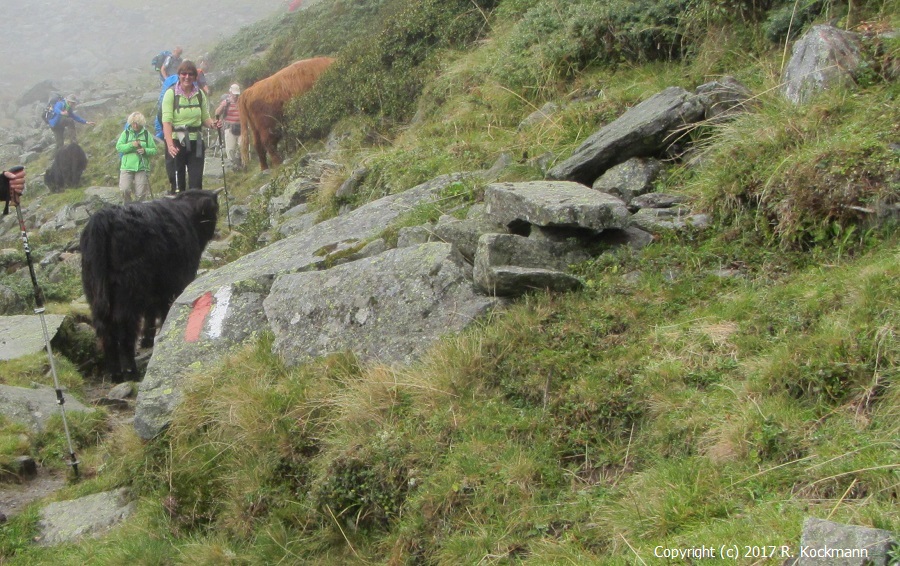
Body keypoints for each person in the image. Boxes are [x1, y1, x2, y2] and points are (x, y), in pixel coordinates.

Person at [161, 60, 218, 192]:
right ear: (179, 75)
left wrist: (213, 124)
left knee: (196, 182)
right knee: (177, 183)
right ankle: (177, 210)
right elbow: (167, 122)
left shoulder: (199, 95)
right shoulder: (170, 94)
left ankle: (195, 211)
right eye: (184, 73)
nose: (187, 77)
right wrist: (170, 145)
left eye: (191, 74)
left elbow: (205, 118)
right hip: (176, 141)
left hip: (196, 141)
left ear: (195, 76)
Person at [115, 112, 157, 203]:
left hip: (142, 167)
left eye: (137, 123)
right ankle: (128, 206)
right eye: (133, 123)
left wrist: (145, 150)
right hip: (127, 166)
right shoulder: (125, 133)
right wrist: (131, 145)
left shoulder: (146, 134)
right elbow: (119, 147)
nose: (135, 125)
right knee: (124, 189)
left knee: (141, 194)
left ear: (141, 123)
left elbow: (154, 150)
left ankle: (139, 211)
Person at [215, 83, 243, 169]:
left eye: (237, 94)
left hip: (241, 128)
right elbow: (217, 113)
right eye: (234, 94)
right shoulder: (226, 102)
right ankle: (233, 165)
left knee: (242, 146)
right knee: (230, 148)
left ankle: (241, 162)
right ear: (230, 93)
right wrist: (222, 106)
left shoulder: (242, 101)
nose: (235, 96)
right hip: (229, 128)